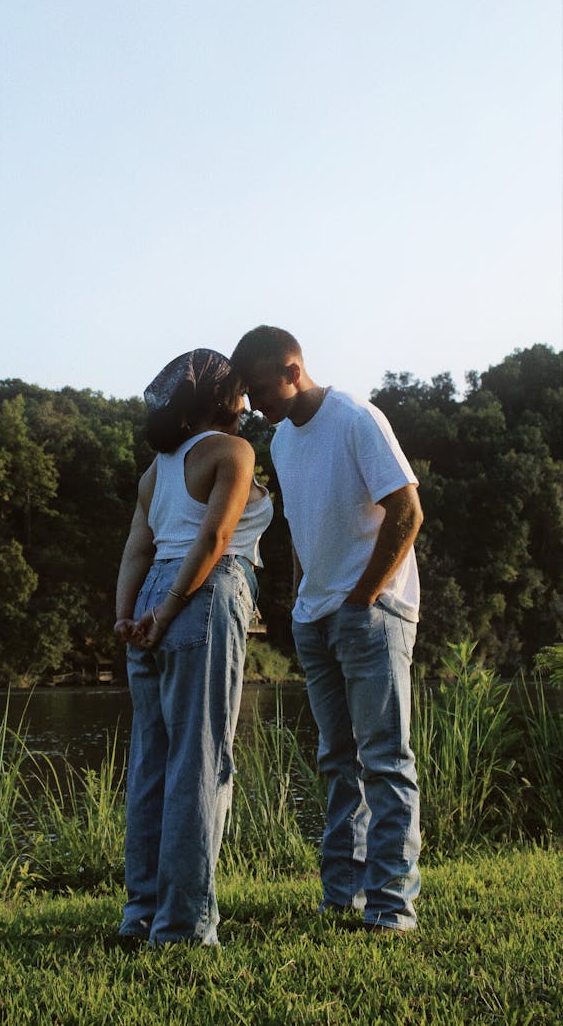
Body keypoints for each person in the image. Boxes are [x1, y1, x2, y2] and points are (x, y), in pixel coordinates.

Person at [230, 326, 424, 933]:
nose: (255, 404)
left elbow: (408, 510)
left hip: (372, 613)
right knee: (337, 763)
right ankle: (342, 899)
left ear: (292, 370)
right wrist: (298, 600)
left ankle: (392, 909)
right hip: (315, 618)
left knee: (385, 761)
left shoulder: (356, 418)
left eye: (260, 389)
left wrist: (363, 598)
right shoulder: (283, 442)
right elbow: (300, 526)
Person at [113, 348, 273, 947]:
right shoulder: (232, 451)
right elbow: (217, 536)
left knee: (152, 761)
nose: (246, 398)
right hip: (200, 592)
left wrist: (126, 617)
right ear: (220, 399)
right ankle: (182, 928)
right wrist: (173, 607)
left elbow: (136, 550)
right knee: (200, 763)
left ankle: (142, 915)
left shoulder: (155, 469)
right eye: (237, 389)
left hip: (153, 592)